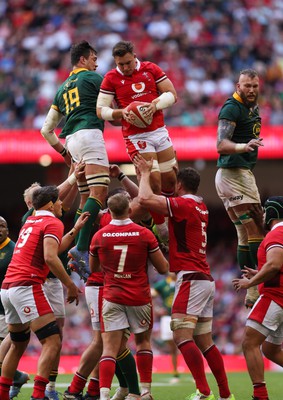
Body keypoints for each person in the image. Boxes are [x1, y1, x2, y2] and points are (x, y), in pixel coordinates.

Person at [135, 154, 235, 400]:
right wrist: (129, 179)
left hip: (190, 278)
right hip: (203, 278)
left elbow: (146, 198)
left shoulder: (184, 205)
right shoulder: (198, 205)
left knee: (180, 334)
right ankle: (225, 394)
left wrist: (146, 173)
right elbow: (151, 201)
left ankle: (204, 391)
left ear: (179, 185)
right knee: (204, 341)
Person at [0, 186, 81, 400]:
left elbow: (52, 250)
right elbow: (50, 257)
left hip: (8, 287)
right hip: (27, 285)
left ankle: (2, 394)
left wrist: (74, 231)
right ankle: (39, 395)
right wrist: (70, 285)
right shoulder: (53, 222)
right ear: (51, 204)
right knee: (52, 341)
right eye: (59, 201)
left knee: (18, 344)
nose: (63, 204)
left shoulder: (31, 221)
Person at [96, 40, 178, 242]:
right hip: (136, 137)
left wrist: (155, 105)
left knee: (171, 181)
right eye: (120, 64)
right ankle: (162, 227)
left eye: (128, 63)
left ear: (134, 56)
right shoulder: (111, 78)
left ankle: (159, 216)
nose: (124, 67)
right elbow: (101, 110)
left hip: (159, 131)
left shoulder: (151, 69)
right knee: (154, 182)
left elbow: (172, 94)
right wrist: (121, 112)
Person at [89, 192, 169, 400]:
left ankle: (104, 395)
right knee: (142, 342)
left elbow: (94, 268)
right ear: (130, 210)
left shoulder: (99, 236)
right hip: (139, 296)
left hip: (112, 296)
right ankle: (144, 392)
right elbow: (163, 268)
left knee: (109, 347)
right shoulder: (144, 234)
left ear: (109, 211)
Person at [40, 40, 110, 275]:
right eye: (93, 59)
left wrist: (63, 153)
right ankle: (80, 248)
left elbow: (46, 130)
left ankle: (79, 246)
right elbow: (113, 105)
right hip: (90, 134)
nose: (96, 64)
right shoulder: (92, 79)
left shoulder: (61, 89)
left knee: (85, 198)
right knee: (99, 193)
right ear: (83, 59)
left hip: (72, 141)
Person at [215, 68, 264, 308]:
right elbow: (221, 145)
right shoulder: (232, 107)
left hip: (234, 175)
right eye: (247, 86)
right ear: (238, 86)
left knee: (244, 233)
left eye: (254, 86)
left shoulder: (252, 108)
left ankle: (251, 290)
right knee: (257, 227)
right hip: (235, 174)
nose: (251, 90)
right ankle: (257, 286)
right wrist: (243, 147)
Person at [233, 196, 283, 400]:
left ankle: (260, 395)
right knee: (270, 349)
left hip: (274, 296)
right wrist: (258, 274)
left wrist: (250, 283)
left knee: (249, 342)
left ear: (272, 213)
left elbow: (274, 265)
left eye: (265, 212)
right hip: (279, 296)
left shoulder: (277, 234)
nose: (262, 215)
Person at [0, 217, 30, 399]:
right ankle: (18, 377)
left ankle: (16, 378)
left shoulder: (13, 250)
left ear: (8, 230)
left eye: (2, 225)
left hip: (5, 311)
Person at [151, 273, 180, 383]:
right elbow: (151, 296)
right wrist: (158, 309)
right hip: (167, 318)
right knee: (171, 346)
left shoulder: (181, 282)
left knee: (186, 344)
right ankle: (175, 372)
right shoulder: (162, 284)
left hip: (181, 316)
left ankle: (193, 371)